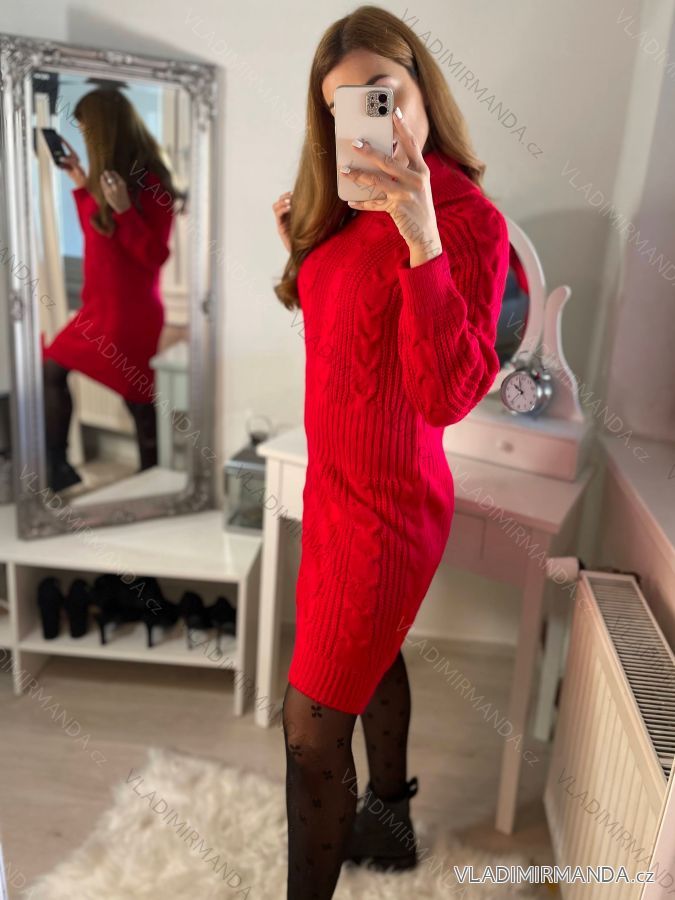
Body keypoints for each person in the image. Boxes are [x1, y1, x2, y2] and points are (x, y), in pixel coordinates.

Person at [271, 6, 511, 897]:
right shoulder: (345, 205)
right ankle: (390, 821)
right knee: (368, 664)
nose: (369, 119)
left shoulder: (465, 219)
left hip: (389, 509)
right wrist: (302, 253)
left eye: (384, 95)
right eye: (344, 105)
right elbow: (346, 338)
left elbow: (446, 393)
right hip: (334, 488)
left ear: (421, 92)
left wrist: (422, 237)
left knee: (308, 731)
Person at [41, 87, 184, 491]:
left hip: (129, 315)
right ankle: (58, 469)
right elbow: (96, 233)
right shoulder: (106, 177)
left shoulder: (152, 182)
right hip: (97, 307)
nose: (85, 139)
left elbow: (154, 256)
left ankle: (152, 479)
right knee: (51, 368)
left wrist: (124, 211)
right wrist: (79, 180)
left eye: (88, 131)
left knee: (138, 402)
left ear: (106, 130)